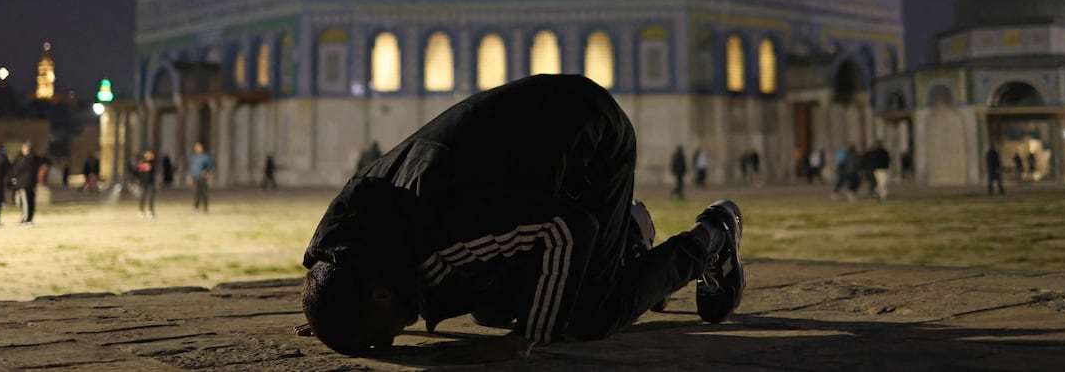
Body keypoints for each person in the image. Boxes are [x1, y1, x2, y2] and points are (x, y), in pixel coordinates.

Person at [295, 75, 745, 361]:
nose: (392, 340)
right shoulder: (357, 236)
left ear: (378, 293)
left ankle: (710, 238)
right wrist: (335, 319)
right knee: (493, 305)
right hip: (531, 151)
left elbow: (568, 229)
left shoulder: (441, 231)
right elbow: (337, 279)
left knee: (586, 315)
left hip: (587, 138)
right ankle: (625, 238)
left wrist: (528, 336)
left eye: (379, 338)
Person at [11, 142, 45, 225]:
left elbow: (16, 170)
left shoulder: (22, 159)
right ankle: (29, 218)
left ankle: (25, 219)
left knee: (25, 201)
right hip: (31, 183)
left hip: (24, 183)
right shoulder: (34, 158)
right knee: (30, 201)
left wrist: (14, 178)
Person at [189, 141, 214, 213]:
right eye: (195, 147)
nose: (196, 148)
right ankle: (196, 206)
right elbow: (192, 167)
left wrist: (207, 171)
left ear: (201, 147)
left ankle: (205, 207)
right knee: (196, 192)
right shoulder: (195, 157)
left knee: (204, 192)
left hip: (202, 177)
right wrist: (190, 176)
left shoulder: (205, 156)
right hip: (196, 176)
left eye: (197, 146)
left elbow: (211, 164)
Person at [137, 150, 158, 218]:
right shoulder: (142, 163)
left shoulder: (153, 163)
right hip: (143, 182)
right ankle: (141, 211)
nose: (149, 157)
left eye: (150, 156)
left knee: (151, 197)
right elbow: (139, 172)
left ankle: (150, 211)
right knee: (142, 197)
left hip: (151, 182)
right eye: (148, 155)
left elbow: (151, 169)